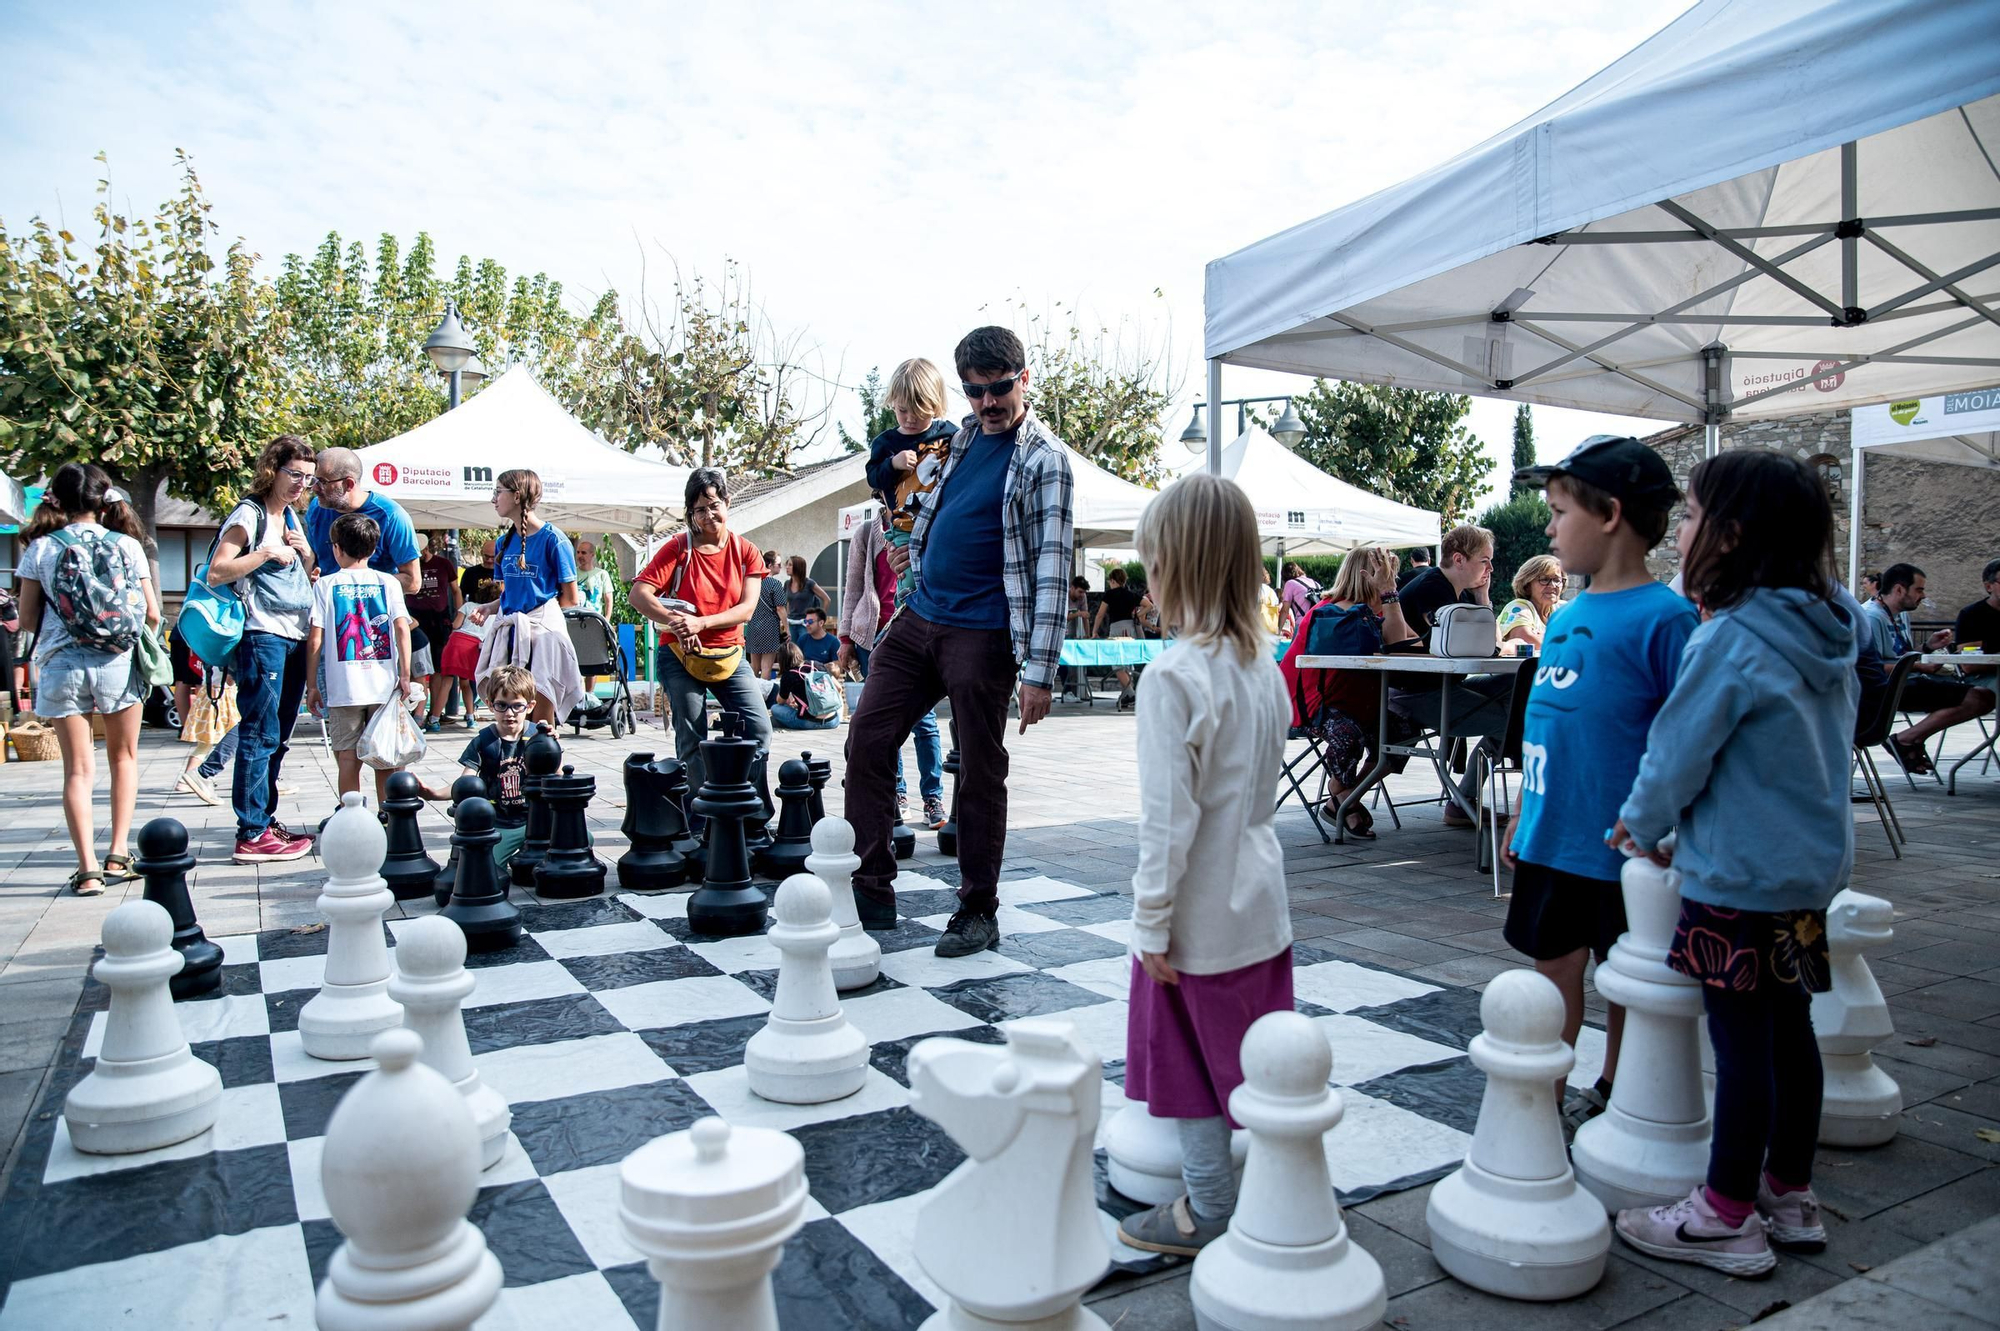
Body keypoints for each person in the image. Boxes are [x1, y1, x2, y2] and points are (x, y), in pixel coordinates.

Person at [1607, 449, 1857, 1277]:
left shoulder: (1731, 639)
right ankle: (1790, 1192)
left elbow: (1677, 753)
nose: (1681, 530)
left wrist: (1639, 825)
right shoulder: (1832, 628)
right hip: (1804, 873)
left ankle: (1722, 1213)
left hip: (1737, 879)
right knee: (1793, 1030)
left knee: (1740, 1039)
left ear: (1733, 533)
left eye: (1692, 514)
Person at [844, 325, 1074, 957]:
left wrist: (1040, 671)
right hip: (919, 616)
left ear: (1024, 381)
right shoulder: (962, 438)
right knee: (866, 738)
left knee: (978, 767)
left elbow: (1052, 566)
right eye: (974, 392)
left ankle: (977, 908)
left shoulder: (1044, 459)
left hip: (983, 630)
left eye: (998, 389)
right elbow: (916, 513)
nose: (987, 403)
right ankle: (870, 887)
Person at [1113, 472, 1294, 1257]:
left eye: (1152, 563)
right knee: (1259, 1064)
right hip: (1262, 902)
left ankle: (1210, 1208)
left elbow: (1167, 824)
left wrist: (1150, 921)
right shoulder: (1263, 667)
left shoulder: (1172, 677)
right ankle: (1285, 1190)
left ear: (1175, 568)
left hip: (1194, 919)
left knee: (1190, 1069)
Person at [1502, 435, 1696, 1126]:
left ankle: (1615, 1087)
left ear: (1609, 513)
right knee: (1552, 970)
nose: (1550, 527)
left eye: (1558, 511)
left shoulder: (1667, 619)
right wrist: (1526, 808)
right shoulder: (1568, 616)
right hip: (1552, 837)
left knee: (1626, 974)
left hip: (1626, 848)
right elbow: (1547, 727)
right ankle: (1542, 1100)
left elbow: (1686, 735)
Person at [15, 464, 160, 895]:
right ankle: (118, 854)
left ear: (56, 499)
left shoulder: (40, 549)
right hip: (116, 661)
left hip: (61, 663)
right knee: (124, 759)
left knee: (77, 770)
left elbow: (25, 619)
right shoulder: (127, 545)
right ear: (103, 499)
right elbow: (151, 613)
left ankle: (88, 870)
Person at [630, 467, 776, 831]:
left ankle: (752, 813)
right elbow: (639, 595)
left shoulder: (746, 551)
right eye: (699, 510)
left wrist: (702, 623)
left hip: (729, 655)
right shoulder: (678, 547)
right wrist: (675, 620)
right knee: (693, 735)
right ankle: (701, 820)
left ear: (727, 502)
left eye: (714, 505)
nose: (708, 515)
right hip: (680, 656)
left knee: (759, 729)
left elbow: (746, 609)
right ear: (689, 513)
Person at [208, 434, 321, 862]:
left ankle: (264, 818)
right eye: (295, 474)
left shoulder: (292, 517)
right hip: (262, 634)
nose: (300, 484)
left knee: (280, 733)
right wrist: (264, 554)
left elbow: (299, 575)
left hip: (292, 635)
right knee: (259, 732)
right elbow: (218, 570)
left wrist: (307, 555)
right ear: (273, 469)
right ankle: (251, 831)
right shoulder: (249, 514)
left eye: (308, 479)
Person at [1278, 546, 1419, 840]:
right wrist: (1390, 596)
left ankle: (1344, 796)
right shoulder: (1330, 612)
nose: (1392, 579)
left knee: (1404, 731)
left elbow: (1410, 643)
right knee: (1348, 733)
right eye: (1387, 573)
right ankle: (1341, 792)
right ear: (1366, 576)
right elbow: (1396, 642)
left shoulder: (1377, 609)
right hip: (1309, 704)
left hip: (1355, 704)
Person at [839, 484, 948, 828]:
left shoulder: (927, 523)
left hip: (916, 632)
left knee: (925, 722)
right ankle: (897, 793)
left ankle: (933, 797)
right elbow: (854, 586)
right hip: (874, 635)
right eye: (889, 489)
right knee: (883, 720)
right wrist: (844, 638)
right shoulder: (866, 533)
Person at [1390, 523, 1507, 827]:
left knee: (1514, 687)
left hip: (1443, 686)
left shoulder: (1458, 592)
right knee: (1516, 719)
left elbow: (1488, 647)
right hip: (1415, 693)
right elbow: (1474, 649)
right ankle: (1462, 801)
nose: (1491, 568)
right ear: (1459, 560)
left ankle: (1463, 799)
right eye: (1485, 560)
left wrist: (1483, 598)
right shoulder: (1433, 587)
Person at [305, 513, 416, 806]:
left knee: (347, 756)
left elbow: (315, 638)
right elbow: (402, 628)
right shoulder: (389, 583)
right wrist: (405, 674)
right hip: (384, 685)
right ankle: (389, 817)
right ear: (374, 548)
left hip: (344, 689)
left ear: (337, 548)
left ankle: (351, 816)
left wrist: (312, 684)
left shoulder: (325, 585)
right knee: (385, 756)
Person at [466, 469, 586, 728]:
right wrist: (489, 607)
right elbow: (512, 592)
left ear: (517, 495)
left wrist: (538, 619)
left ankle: (545, 766)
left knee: (542, 720)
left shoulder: (554, 540)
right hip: (511, 634)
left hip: (543, 635)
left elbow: (570, 598)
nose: (494, 499)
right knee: (510, 716)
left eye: (498, 491)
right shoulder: (502, 542)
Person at [1863, 562, 1994, 773]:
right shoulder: (1870, 617)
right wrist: (1921, 667)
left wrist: (1927, 646)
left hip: (1907, 680)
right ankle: (1905, 739)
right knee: (1980, 697)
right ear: (1899, 589)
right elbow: (1873, 666)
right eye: (1919, 589)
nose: (1923, 596)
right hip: (1886, 688)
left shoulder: (1900, 614)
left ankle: (1908, 740)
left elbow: (1899, 655)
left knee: (1981, 695)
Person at [867, 357, 959, 616]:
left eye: (919, 412)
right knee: (909, 583)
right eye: (902, 410)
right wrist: (892, 465)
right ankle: (906, 622)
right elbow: (873, 478)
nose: (909, 419)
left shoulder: (950, 435)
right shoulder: (886, 443)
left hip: (940, 527)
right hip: (905, 527)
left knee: (939, 580)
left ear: (935, 405)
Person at [305, 447, 421, 594]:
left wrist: (353, 585)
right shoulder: (316, 508)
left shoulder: (391, 516)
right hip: (328, 610)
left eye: (322, 482)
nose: (314, 488)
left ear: (349, 484)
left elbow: (413, 583)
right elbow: (313, 560)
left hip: (373, 614)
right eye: (313, 479)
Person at [458, 664, 537, 872]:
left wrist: (552, 746)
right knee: (486, 870)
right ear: (489, 705)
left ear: (529, 706)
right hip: (502, 823)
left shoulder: (539, 738)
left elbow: (557, 779)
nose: (509, 713)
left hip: (537, 819)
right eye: (502, 705)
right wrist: (429, 794)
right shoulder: (484, 742)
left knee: (582, 841)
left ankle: (527, 855)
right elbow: (465, 785)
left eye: (517, 706)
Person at [411, 531, 464, 733]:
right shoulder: (407, 565)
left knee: (440, 670)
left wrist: (459, 617)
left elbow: (456, 590)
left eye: (421, 552)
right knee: (420, 670)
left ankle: (434, 714)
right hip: (416, 620)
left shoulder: (444, 564)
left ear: (426, 549)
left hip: (439, 620)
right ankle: (419, 713)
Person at [1092, 566, 1144, 709]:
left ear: (1113, 580)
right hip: (1130, 629)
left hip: (1116, 629)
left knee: (1116, 663)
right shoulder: (1130, 594)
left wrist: (1094, 631)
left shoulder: (1110, 594)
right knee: (1127, 663)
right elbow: (1149, 605)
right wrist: (1138, 615)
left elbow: (1100, 614)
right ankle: (1128, 695)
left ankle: (1131, 693)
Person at [1496, 553, 1565, 650]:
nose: (1553, 585)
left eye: (1557, 580)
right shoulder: (1518, 607)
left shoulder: (1562, 608)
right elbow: (1527, 640)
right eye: (1544, 580)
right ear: (1527, 585)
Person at [769, 639, 839, 731]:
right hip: (833, 720)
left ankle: (779, 722)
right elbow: (838, 688)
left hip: (810, 722)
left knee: (775, 708)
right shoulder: (817, 665)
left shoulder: (788, 675)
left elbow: (780, 701)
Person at [745, 549, 785, 680]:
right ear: (769, 565)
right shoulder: (775, 584)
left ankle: (751, 693)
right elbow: (780, 608)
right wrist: (787, 627)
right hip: (769, 627)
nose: (780, 567)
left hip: (752, 626)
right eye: (778, 564)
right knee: (767, 666)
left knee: (754, 666)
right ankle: (763, 696)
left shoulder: (752, 582)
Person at [783, 555, 831, 647]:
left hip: (805, 624)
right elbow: (787, 603)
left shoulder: (809, 583)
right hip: (791, 623)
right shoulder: (787, 584)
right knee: (792, 653)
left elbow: (827, 599)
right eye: (787, 565)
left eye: (790, 565)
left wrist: (820, 619)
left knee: (805, 650)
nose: (787, 567)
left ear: (797, 567)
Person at [459, 538, 498, 610]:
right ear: (481, 553)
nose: (489, 560)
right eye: (486, 556)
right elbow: (461, 595)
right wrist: (466, 610)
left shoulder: (504, 573)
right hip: (475, 614)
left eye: (493, 557)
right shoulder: (470, 572)